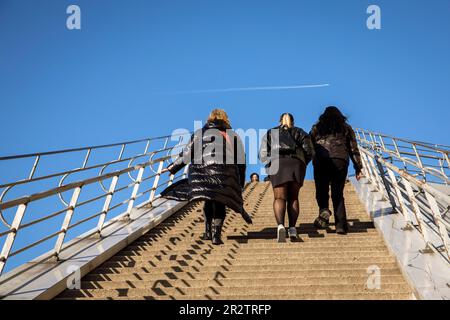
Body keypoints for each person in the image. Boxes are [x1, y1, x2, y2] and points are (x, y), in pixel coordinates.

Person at [162, 109, 252, 245]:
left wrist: (172, 168)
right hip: (225, 174)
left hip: (203, 171)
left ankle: (207, 231)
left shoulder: (200, 133)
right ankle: (216, 235)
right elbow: (241, 161)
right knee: (220, 201)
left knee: (208, 200)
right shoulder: (232, 136)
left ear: (209, 119)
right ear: (226, 119)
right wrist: (240, 182)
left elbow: (187, 154)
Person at [259, 113, 314, 242]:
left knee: (279, 197)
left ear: (279, 121)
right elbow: (309, 151)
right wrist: (302, 162)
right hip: (296, 164)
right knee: (294, 197)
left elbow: (262, 154)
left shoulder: (271, 133)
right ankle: (293, 228)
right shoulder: (300, 132)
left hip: (277, 164)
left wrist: (269, 165)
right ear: (293, 122)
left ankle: (280, 226)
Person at [310, 106, 363, 235]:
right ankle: (341, 226)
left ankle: (324, 211)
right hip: (340, 160)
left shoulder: (317, 128)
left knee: (321, 190)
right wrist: (358, 168)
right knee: (337, 194)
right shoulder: (346, 128)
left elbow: (309, 146)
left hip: (322, 160)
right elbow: (353, 149)